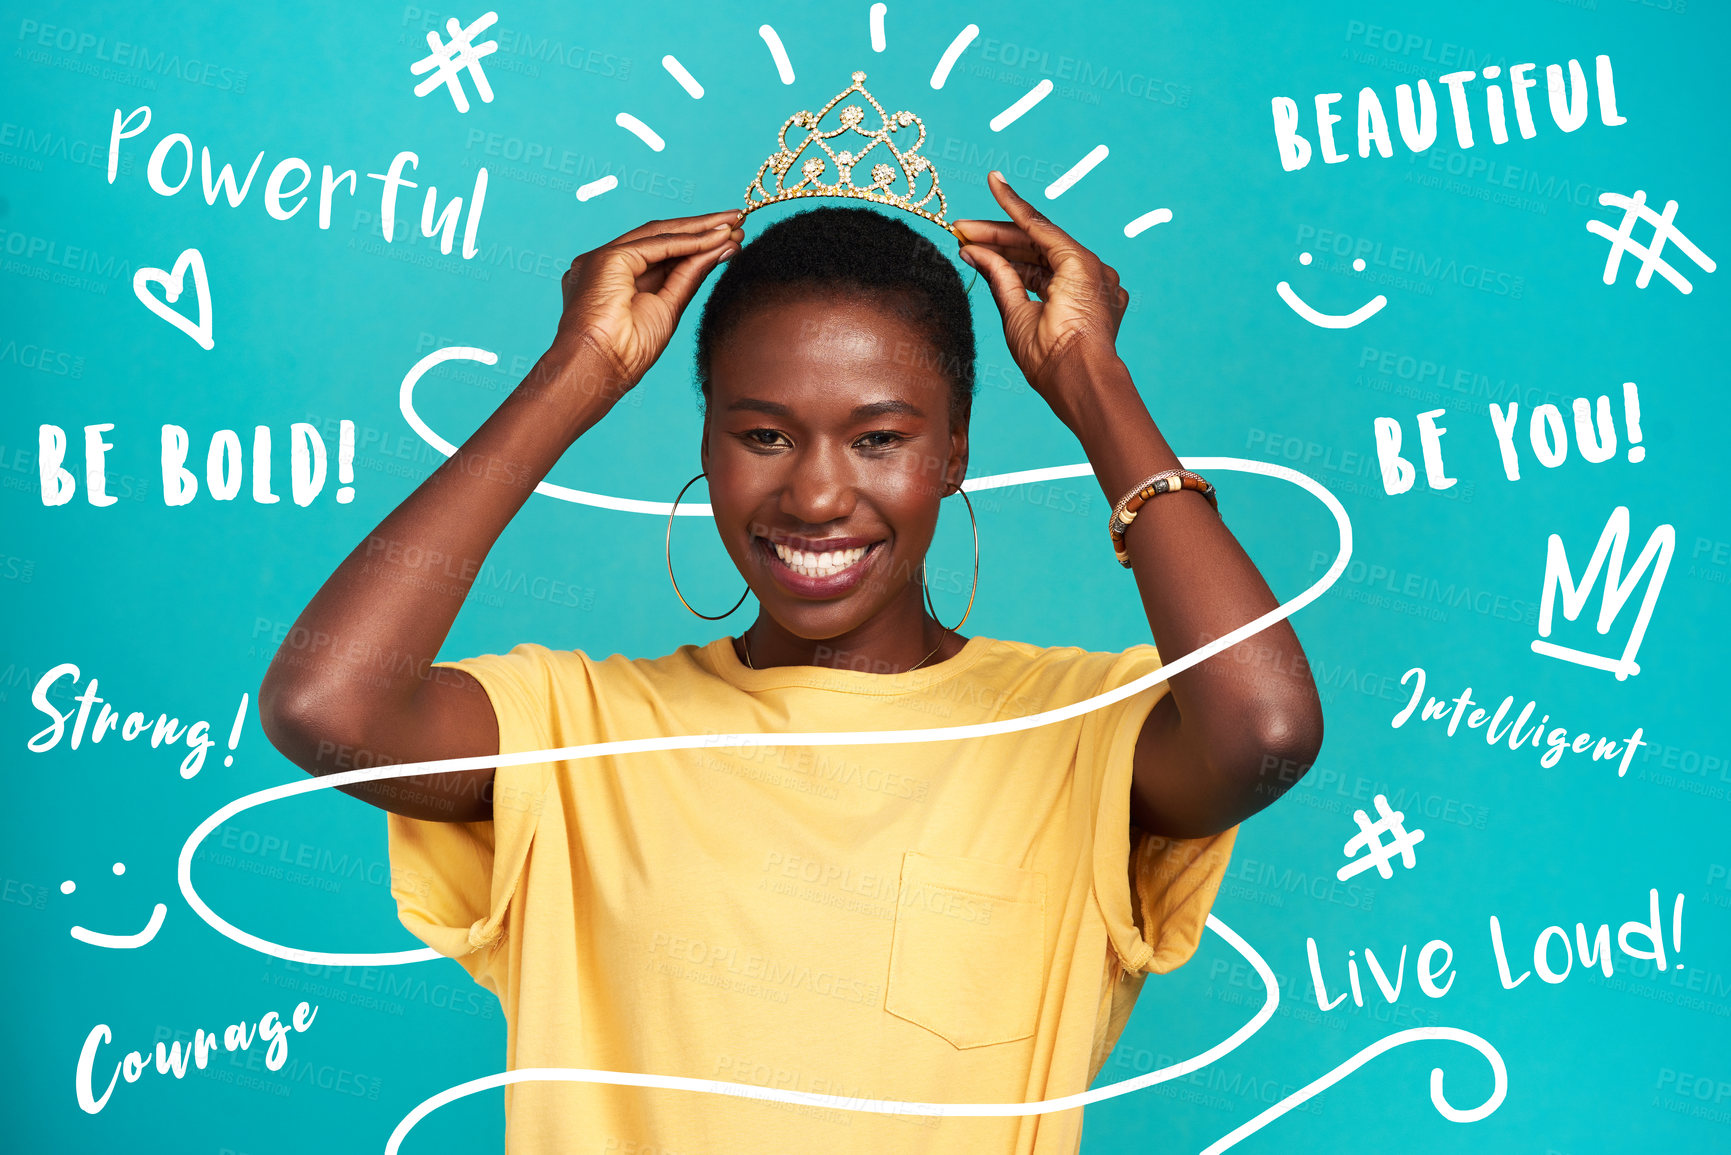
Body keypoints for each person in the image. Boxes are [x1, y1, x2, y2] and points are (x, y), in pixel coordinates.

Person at [259, 171, 1323, 1154]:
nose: (816, 496)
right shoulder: (577, 728)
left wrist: (1092, 379)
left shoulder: (1069, 729)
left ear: (954, 453)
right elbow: (326, 704)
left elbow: (1263, 729)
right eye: (764, 435)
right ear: (707, 444)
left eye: (879, 439)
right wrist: (576, 374)